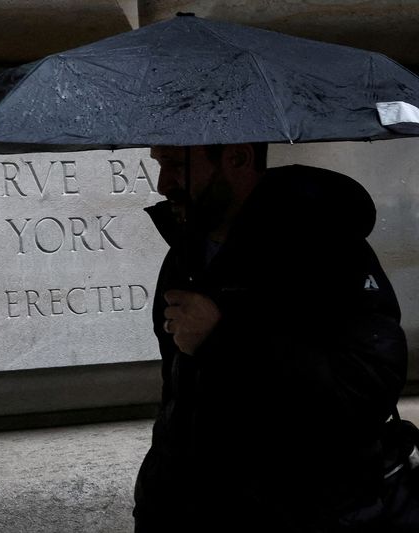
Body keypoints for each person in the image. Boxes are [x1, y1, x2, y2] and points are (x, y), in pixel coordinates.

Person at [133, 144, 408, 532]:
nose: (163, 184)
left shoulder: (327, 247)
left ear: (238, 158)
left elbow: (365, 389)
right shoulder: (186, 255)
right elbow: (181, 395)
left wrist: (222, 339)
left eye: (177, 165)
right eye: (160, 165)